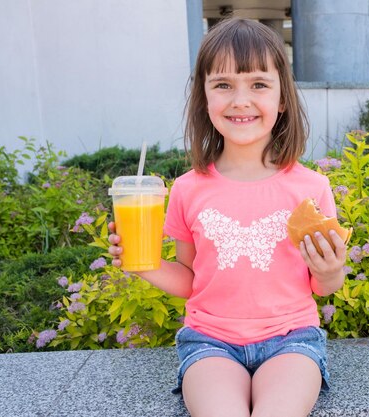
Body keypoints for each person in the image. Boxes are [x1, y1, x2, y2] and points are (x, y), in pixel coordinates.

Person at [107, 18, 347, 417]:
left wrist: (330, 269)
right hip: (209, 342)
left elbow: (325, 287)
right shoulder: (187, 189)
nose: (240, 100)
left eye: (258, 84)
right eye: (223, 85)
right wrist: (142, 263)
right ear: (204, 98)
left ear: (282, 98)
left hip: (292, 340)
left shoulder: (312, 189)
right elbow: (190, 278)